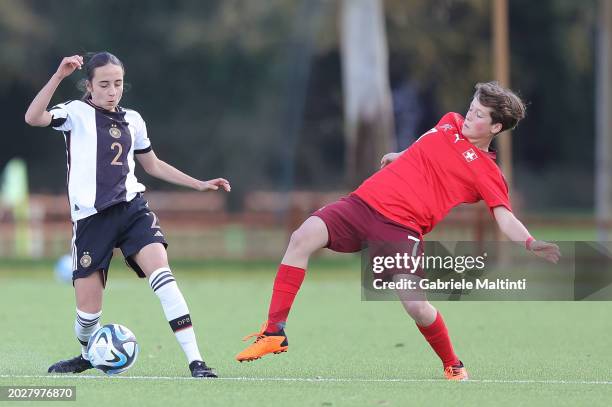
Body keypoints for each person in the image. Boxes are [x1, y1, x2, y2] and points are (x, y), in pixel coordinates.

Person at [235, 81, 561, 381]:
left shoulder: (486, 172)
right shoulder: (448, 121)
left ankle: (453, 364)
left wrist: (530, 242)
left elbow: (504, 218)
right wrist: (400, 156)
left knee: (416, 305)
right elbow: (427, 148)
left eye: (478, 115)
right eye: (470, 108)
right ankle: (275, 331)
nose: (467, 116)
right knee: (302, 237)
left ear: (495, 127)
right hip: (364, 202)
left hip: (401, 226)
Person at [25, 52, 230, 378]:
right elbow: (33, 117)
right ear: (89, 86)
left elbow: (153, 165)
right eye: (104, 84)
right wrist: (58, 76)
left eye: (117, 84)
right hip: (91, 220)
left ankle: (197, 362)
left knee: (164, 279)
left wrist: (199, 184)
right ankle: (86, 354)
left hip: (132, 210)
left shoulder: (133, 119)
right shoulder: (75, 113)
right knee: (87, 316)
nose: (111, 91)